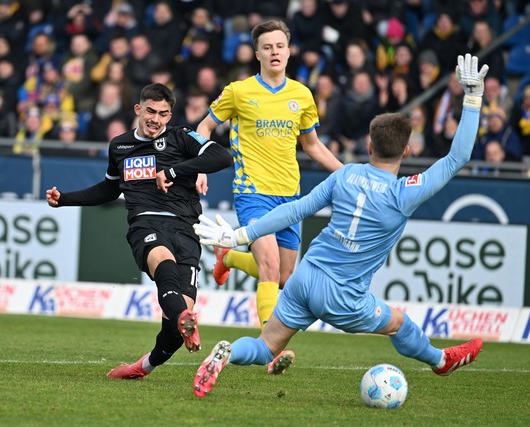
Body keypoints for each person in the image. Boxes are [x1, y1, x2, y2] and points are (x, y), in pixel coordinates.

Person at [191, 54, 488, 398]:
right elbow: (457, 157)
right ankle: (440, 360)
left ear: (369, 145)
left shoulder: (346, 174)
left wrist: (241, 234)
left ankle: (227, 351)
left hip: (305, 278)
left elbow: (296, 210)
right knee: (399, 323)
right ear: (406, 150)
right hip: (344, 296)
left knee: (265, 347)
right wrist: (472, 98)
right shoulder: (405, 192)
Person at [45, 83, 232, 380]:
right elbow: (109, 188)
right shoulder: (120, 146)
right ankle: (187, 317)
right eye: (150, 111)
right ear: (138, 109)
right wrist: (65, 199)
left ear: (170, 115)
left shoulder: (181, 137)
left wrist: (173, 171)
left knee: (172, 333)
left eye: (163, 113)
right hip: (146, 222)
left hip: (186, 228)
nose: (155, 118)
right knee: (163, 264)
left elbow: (222, 157)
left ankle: (143, 366)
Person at [195, 19, 343, 338]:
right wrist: (200, 167)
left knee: (284, 276)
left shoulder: (302, 95)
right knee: (270, 267)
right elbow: (204, 127)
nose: (274, 52)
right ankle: (270, 343)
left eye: (279, 46)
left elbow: (313, 145)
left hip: (290, 196)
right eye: (267, 47)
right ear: (258, 54)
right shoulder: (239, 91)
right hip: (253, 193)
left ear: (289, 52)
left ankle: (229, 257)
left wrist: (347, 174)